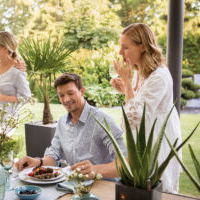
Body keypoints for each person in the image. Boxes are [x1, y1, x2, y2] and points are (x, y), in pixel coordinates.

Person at [110, 23, 182, 193]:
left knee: (156, 191)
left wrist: (127, 82)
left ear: (142, 46)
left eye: (125, 47)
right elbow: (139, 101)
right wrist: (127, 89)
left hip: (158, 141)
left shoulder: (160, 76)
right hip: (145, 139)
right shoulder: (141, 71)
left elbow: (134, 118)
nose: (120, 53)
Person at [16, 73, 127, 179]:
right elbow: (54, 155)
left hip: (103, 186)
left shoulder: (103, 121)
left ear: (82, 91)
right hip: (75, 187)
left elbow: (125, 163)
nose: (66, 100)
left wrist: (95, 170)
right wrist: (39, 162)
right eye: (61, 95)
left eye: (70, 93)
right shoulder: (62, 122)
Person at [0, 31, 31, 135]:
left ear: (5, 48)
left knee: (1, 149)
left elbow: (26, 97)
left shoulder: (16, 70)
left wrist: (3, 97)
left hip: (7, 120)